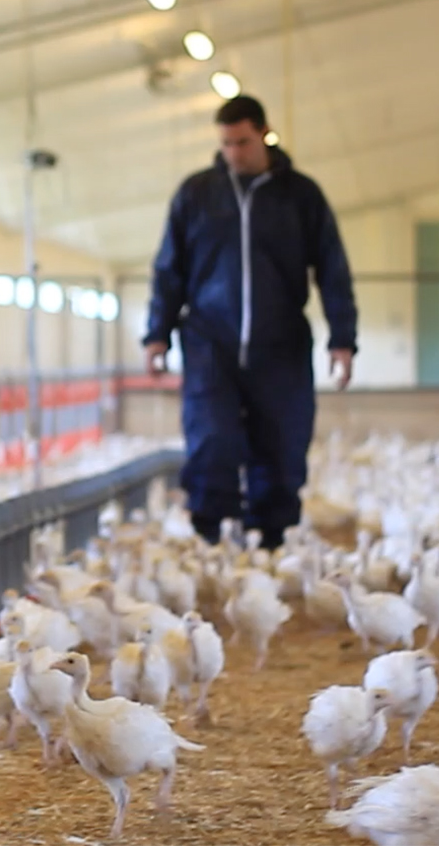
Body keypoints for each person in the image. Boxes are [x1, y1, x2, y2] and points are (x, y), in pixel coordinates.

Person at [142, 95, 357, 550]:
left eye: (242, 142)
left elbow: (332, 267)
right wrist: (157, 333)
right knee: (211, 436)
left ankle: (271, 537)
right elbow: (169, 268)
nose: (233, 153)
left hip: (278, 338)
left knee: (282, 438)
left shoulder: (300, 195)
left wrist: (343, 338)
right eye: (225, 144)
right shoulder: (197, 193)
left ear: (263, 133)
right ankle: (207, 531)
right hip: (209, 338)